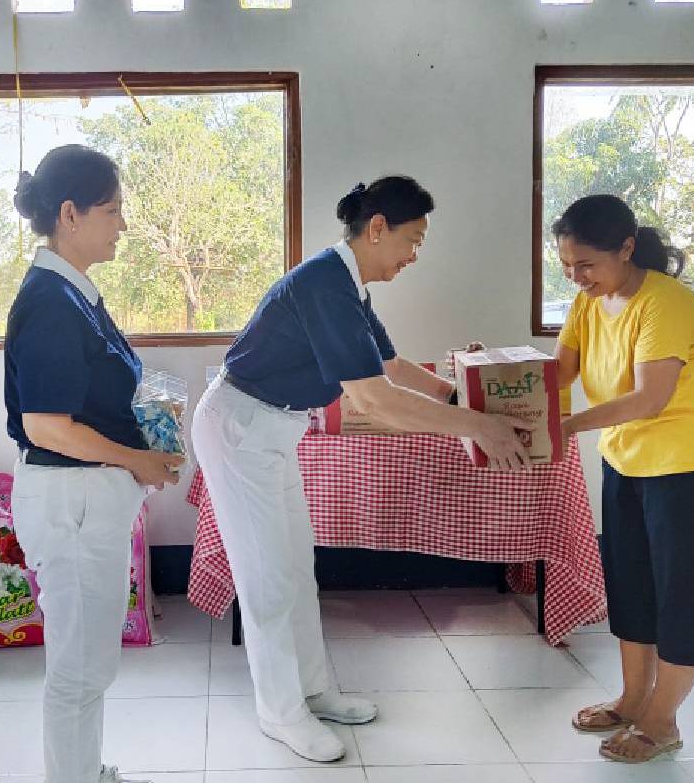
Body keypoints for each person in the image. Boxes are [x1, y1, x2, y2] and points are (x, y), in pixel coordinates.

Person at [190, 176, 532, 762]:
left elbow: (392, 367)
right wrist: (479, 427)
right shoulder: (325, 283)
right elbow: (372, 399)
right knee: (267, 580)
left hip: (272, 430)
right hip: (240, 429)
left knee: (297, 568)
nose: (414, 255)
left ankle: (314, 690)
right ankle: (280, 712)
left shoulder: (347, 285)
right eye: (412, 239)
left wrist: (468, 399)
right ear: (377, 229)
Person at [554, 194, 694, 763]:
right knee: (634, 587)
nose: (577, 277)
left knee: (683, 598)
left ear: (626, 247)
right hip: (628, 461)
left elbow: (650, 397)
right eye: (566, 265)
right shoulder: (588, 302)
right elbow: (560, 372)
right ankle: (630, 699)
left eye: (587, 264)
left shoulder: (666, 302)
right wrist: (490, 373)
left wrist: (566, 427)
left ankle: (662, 721)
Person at [4, 144, 183, 783]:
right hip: (70, 498)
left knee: (91, 658)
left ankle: (88, 769)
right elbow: (47, 425)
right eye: (113, 211)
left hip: (88, 496)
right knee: (78, 664)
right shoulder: (51, 301)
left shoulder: (74, 292)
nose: (123, 225)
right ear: (70, 214)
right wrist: (137, 458)